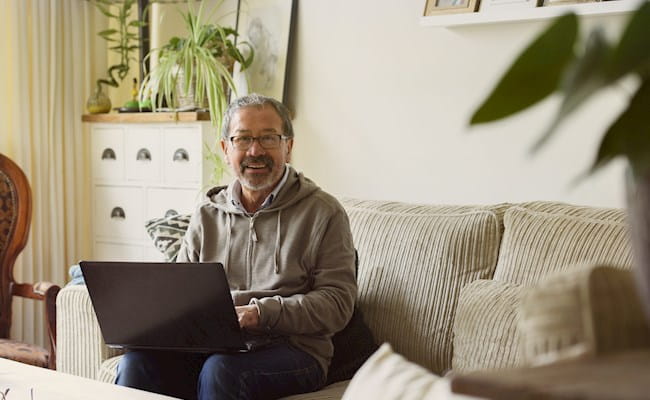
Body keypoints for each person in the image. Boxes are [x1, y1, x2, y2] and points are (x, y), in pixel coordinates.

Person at [116, 93, 357, 400]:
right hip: (213, 345)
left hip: (293, 351)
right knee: (138, 363)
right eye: (243, 139)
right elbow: (180, 292)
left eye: (268, 138)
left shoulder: (323, 212)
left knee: (221, 371)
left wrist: (258, 314)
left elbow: (337, 304)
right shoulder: (207, 213)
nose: (255, 151)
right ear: (225, 149)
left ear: (289, 146)